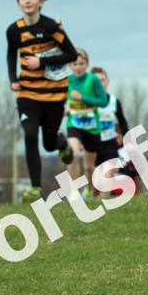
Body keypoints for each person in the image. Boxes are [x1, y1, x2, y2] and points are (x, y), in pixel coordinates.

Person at [7, 0, 78, 203]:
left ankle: (61, 143)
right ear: (18, 3)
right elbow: (11, 54)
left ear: (41, 2)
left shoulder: (51, 27)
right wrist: (13, 79)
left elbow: (71, 54)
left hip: (54, 93)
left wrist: (41, 61)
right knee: (29, 135)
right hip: (27, 93)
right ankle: (35, 188)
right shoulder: (14, 30)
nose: (27, 1)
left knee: (48, 143)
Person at [65, 48, 109, 198]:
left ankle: (89, 189)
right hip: (74, 124)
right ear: (70, 65)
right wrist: (63, 110)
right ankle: (74, 191)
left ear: (87, 64)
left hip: (92, 127)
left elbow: (103, 101)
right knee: (73, 154)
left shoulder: (93, 80)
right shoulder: (67, 80)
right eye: (75, 64)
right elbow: (59, 99)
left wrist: (83, 97)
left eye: (81, 63)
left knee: (89, 167)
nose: (78, 67)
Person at [91, 67, 130, 193]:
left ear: (107, 82)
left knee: (107, 172)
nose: (100, 83)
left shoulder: (114, 101)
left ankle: (104, 200)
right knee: (91, 172)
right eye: (96, 80)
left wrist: (123, 136)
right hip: (92, 143)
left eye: (102, 80)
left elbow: (123, 122)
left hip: (109, 143)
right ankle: (91, 196)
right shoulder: (86, 102)